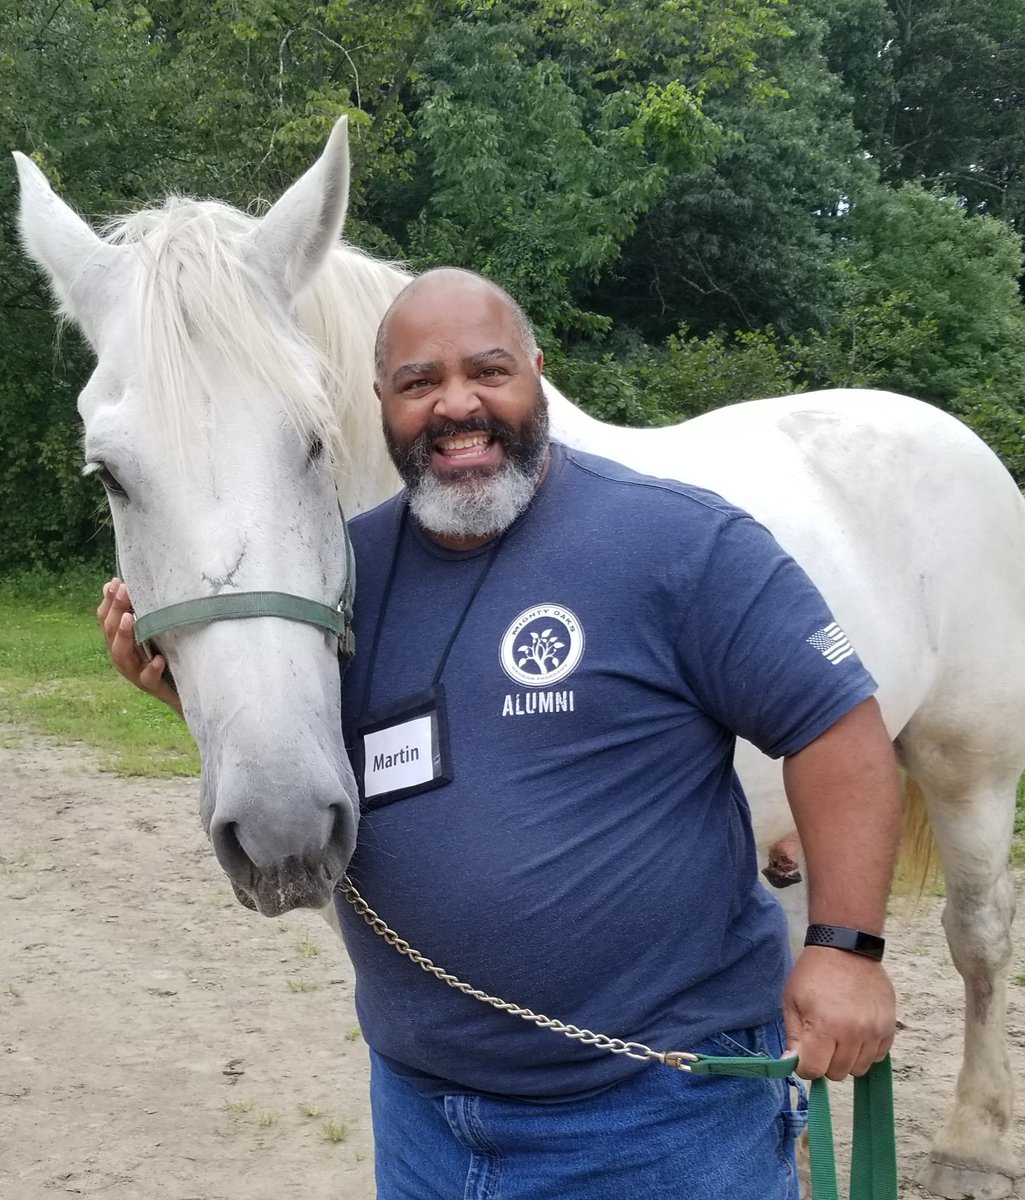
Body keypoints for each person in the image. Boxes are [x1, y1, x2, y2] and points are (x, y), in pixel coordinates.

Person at [99, 267, 901, 1200]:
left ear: (537, 374)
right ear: (379, 405)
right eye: (417, 383)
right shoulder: (344, 570)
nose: (455, 405)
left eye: (488, 371)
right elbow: (328, 752)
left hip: (655, 1117)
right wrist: (182, 695)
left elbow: (836, 726)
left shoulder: (676, 542)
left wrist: (844, 949)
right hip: (423, 1119)